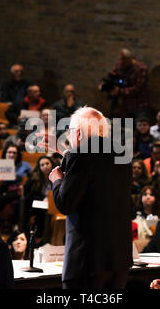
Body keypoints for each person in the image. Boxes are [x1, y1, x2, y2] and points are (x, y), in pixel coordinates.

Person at [48, 107, 132, 289]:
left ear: (78, 133)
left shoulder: (81, 156)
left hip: (87, 261)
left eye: (69, 132)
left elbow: (65, 204)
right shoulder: (122, 154)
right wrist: (65, 152)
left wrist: (57, 181)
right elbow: (94, 168)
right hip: (119, 260)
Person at [99, 48, 150, 118]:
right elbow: (112, 74)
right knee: (123, 127)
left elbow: (138, 88)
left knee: (139, 127)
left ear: (129, 59)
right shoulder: (121, 65)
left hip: (139, 104)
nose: (121, 62)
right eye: (120, 60)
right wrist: (104, 83)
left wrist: (119, 91)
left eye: (123, 60)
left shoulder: (141, 68)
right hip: (123, 106)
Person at [0, 142, 31, 232]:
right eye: (9, 152)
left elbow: (31, 178)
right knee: (6, 198)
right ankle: (8, 224)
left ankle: (18, 226)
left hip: (21, 192)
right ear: (5, 153)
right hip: (4, 192)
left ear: (18, 155)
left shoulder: (25, 165)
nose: (11, 155)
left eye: (14, 153)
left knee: (22, 199)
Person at [23, 156, 55, 243]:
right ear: (39, 167)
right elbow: (28, 196)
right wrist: (43, 198)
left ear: (52, 164)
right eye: (42, 165)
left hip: (54, 203)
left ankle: (49, 237)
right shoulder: (33, 179)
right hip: (39, 204)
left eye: (47, 163)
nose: (45, 166)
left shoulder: (57, 177)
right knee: (40, 211)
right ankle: (38, 237)